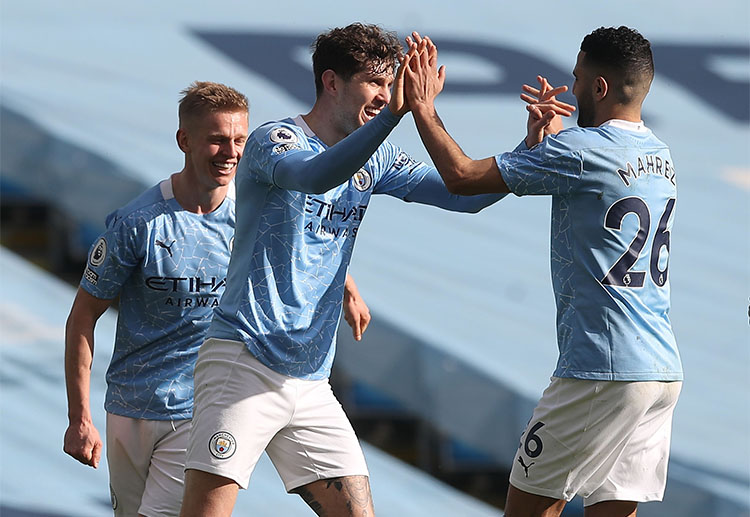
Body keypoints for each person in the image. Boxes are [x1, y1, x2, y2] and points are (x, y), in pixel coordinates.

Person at [180, 23, 505, 517]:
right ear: (331, 82)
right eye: (375, 82)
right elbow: (315, 176)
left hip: (310, 381)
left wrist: (533, 153)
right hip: (244, 362)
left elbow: (465, 198)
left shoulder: (375, 156)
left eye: (392, 82)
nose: (386, 94)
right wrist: (395, 114)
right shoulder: (276, 140)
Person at [403, 27, 682, 517]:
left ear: (598, 87)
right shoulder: (660, 155)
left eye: (578, 80)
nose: (571, 91)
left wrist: (423, 107)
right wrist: (541, 144)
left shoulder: (580, 149)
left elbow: (462, 178)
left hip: (601, 366)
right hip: (660, 369)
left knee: (530, 509)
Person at [63, 81, 372, 517]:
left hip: (200, 405)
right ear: (184, 141)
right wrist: (80, 418)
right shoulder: (138, 224)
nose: (231, 152)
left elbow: (308, 246)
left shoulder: (257, 213)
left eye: (240, 140)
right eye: (217, 140)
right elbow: (82, 318)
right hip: (128, 407)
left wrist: (348, 290)